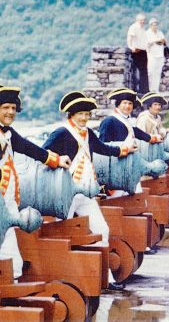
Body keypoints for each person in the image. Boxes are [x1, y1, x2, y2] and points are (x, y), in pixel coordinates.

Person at [0, 84, 71, 278]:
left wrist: (55, 160)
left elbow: (30, 149)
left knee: (11, 262)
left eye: (13, 108)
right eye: (6, 107)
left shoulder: (7, 134)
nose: (11, 112)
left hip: (8, 205)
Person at [42, 91, 128, 246]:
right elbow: (44, 154)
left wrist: (121, 150)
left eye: (87, 114)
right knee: (62, 233)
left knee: (102, 230)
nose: (84, 118)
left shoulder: (87, 132)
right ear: (71, 115)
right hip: (65, 193)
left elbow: (102, 148)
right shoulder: (61, 132)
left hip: (85, 192)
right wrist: (57, 160)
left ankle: (100, 268)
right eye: (80, 114)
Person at [99, 88, 163, 197]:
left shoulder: (127, 120)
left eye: (130, 103)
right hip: (116, 165)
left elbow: (137, 132)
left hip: (129, 164)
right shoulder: (109, 121)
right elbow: (103, 147)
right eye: (124, 103)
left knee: (135, 195)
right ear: (118, 105)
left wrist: (151, 138)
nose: (127, 106)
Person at [127, 13, 149, 94]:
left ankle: (144, 90)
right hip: (136, 51)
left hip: (143, 51)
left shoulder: (143, 29)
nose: (143, 21)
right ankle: (138, 89)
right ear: (137, 20)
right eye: (141, 20)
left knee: (144, 71)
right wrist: (131, 47)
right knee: (137, 71)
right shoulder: (134, 27)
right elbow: (130, 38)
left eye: (144, 20)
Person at [146, 18, 167, 92]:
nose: (155, 26)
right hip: (152, 55)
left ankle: (156, 89)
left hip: (160, 55)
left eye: (156, 25)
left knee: (158, 73)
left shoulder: (160, 32)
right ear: (150, 25)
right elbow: (147, 43)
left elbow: (164, 41)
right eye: (153, 25)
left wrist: (160, 41)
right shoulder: (147, 33)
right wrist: (156, 40)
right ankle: (150, 89)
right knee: (151, 72)